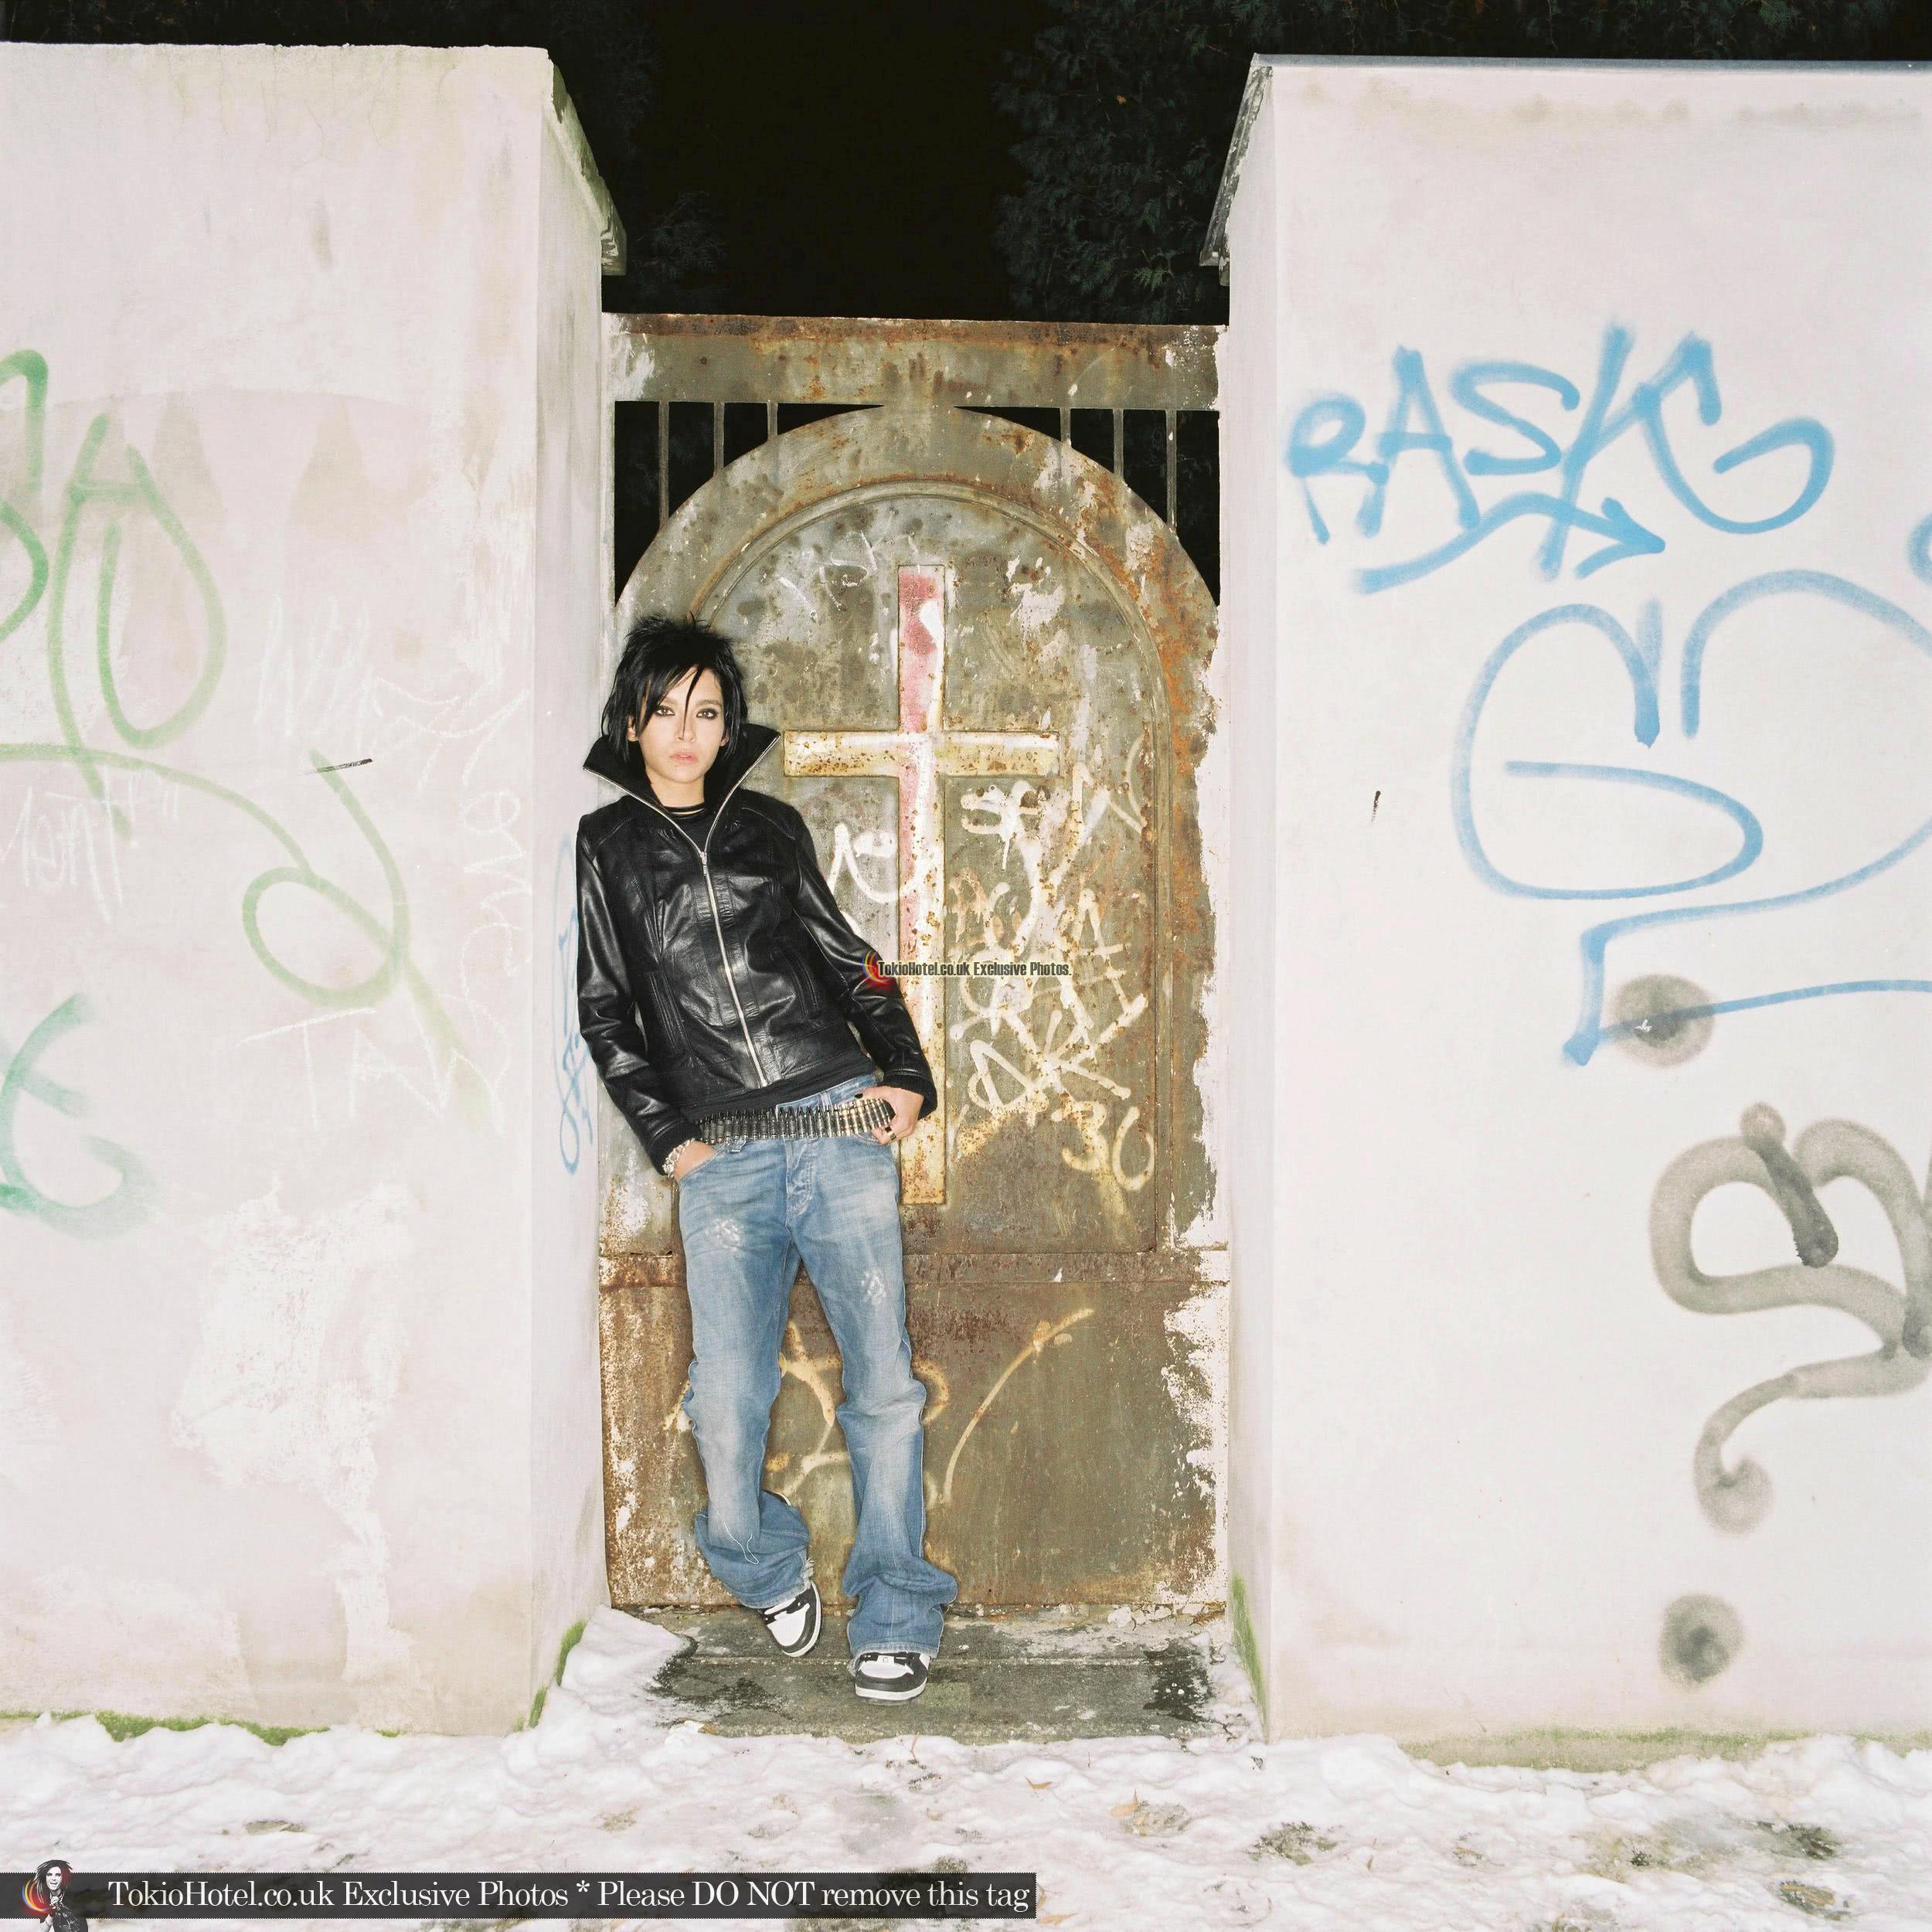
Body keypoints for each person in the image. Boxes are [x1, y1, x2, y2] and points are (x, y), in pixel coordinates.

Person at [576, 612, 958, 1702]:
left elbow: (848, 957)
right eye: (664, 711)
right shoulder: (605, 849)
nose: (685, 732)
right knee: (727, 1401)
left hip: (836, 1125)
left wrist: (906, 1072)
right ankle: (758, 1559)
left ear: (726, 724)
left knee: (882, 1385)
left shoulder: (772, 828)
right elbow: (606, 1013)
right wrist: (670, 1139)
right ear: (633, 722)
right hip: (727, 1159)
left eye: (706, 712)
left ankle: (896, 1606)